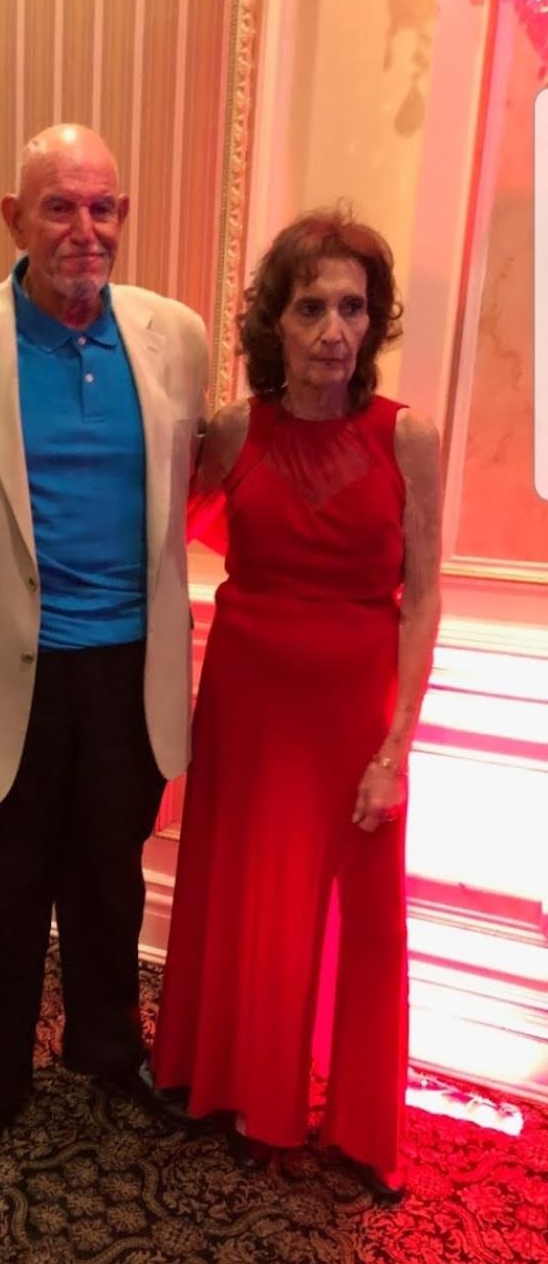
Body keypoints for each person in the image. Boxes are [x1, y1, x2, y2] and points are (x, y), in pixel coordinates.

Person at [0, 124, 209, 1168]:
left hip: (128, 670)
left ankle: (107, 1047)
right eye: (60, 206)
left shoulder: (174, 336)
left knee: (111, 883)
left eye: (103, 205)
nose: (85, 227)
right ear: (14, 218)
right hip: (0, 674)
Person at [152, 209, 442, 1202]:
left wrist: (396, 747)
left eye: (351, 307)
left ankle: (359, 1126)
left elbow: (426, 593)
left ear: (373, 320)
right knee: (244, 892)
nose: (332, 328)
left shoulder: (408, 437)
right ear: (273, 320)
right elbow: (157, 527)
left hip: (353, 702)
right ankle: (235, 1090)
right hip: (248, 690)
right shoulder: (234, 430)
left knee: (365, 919)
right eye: (310, 305)